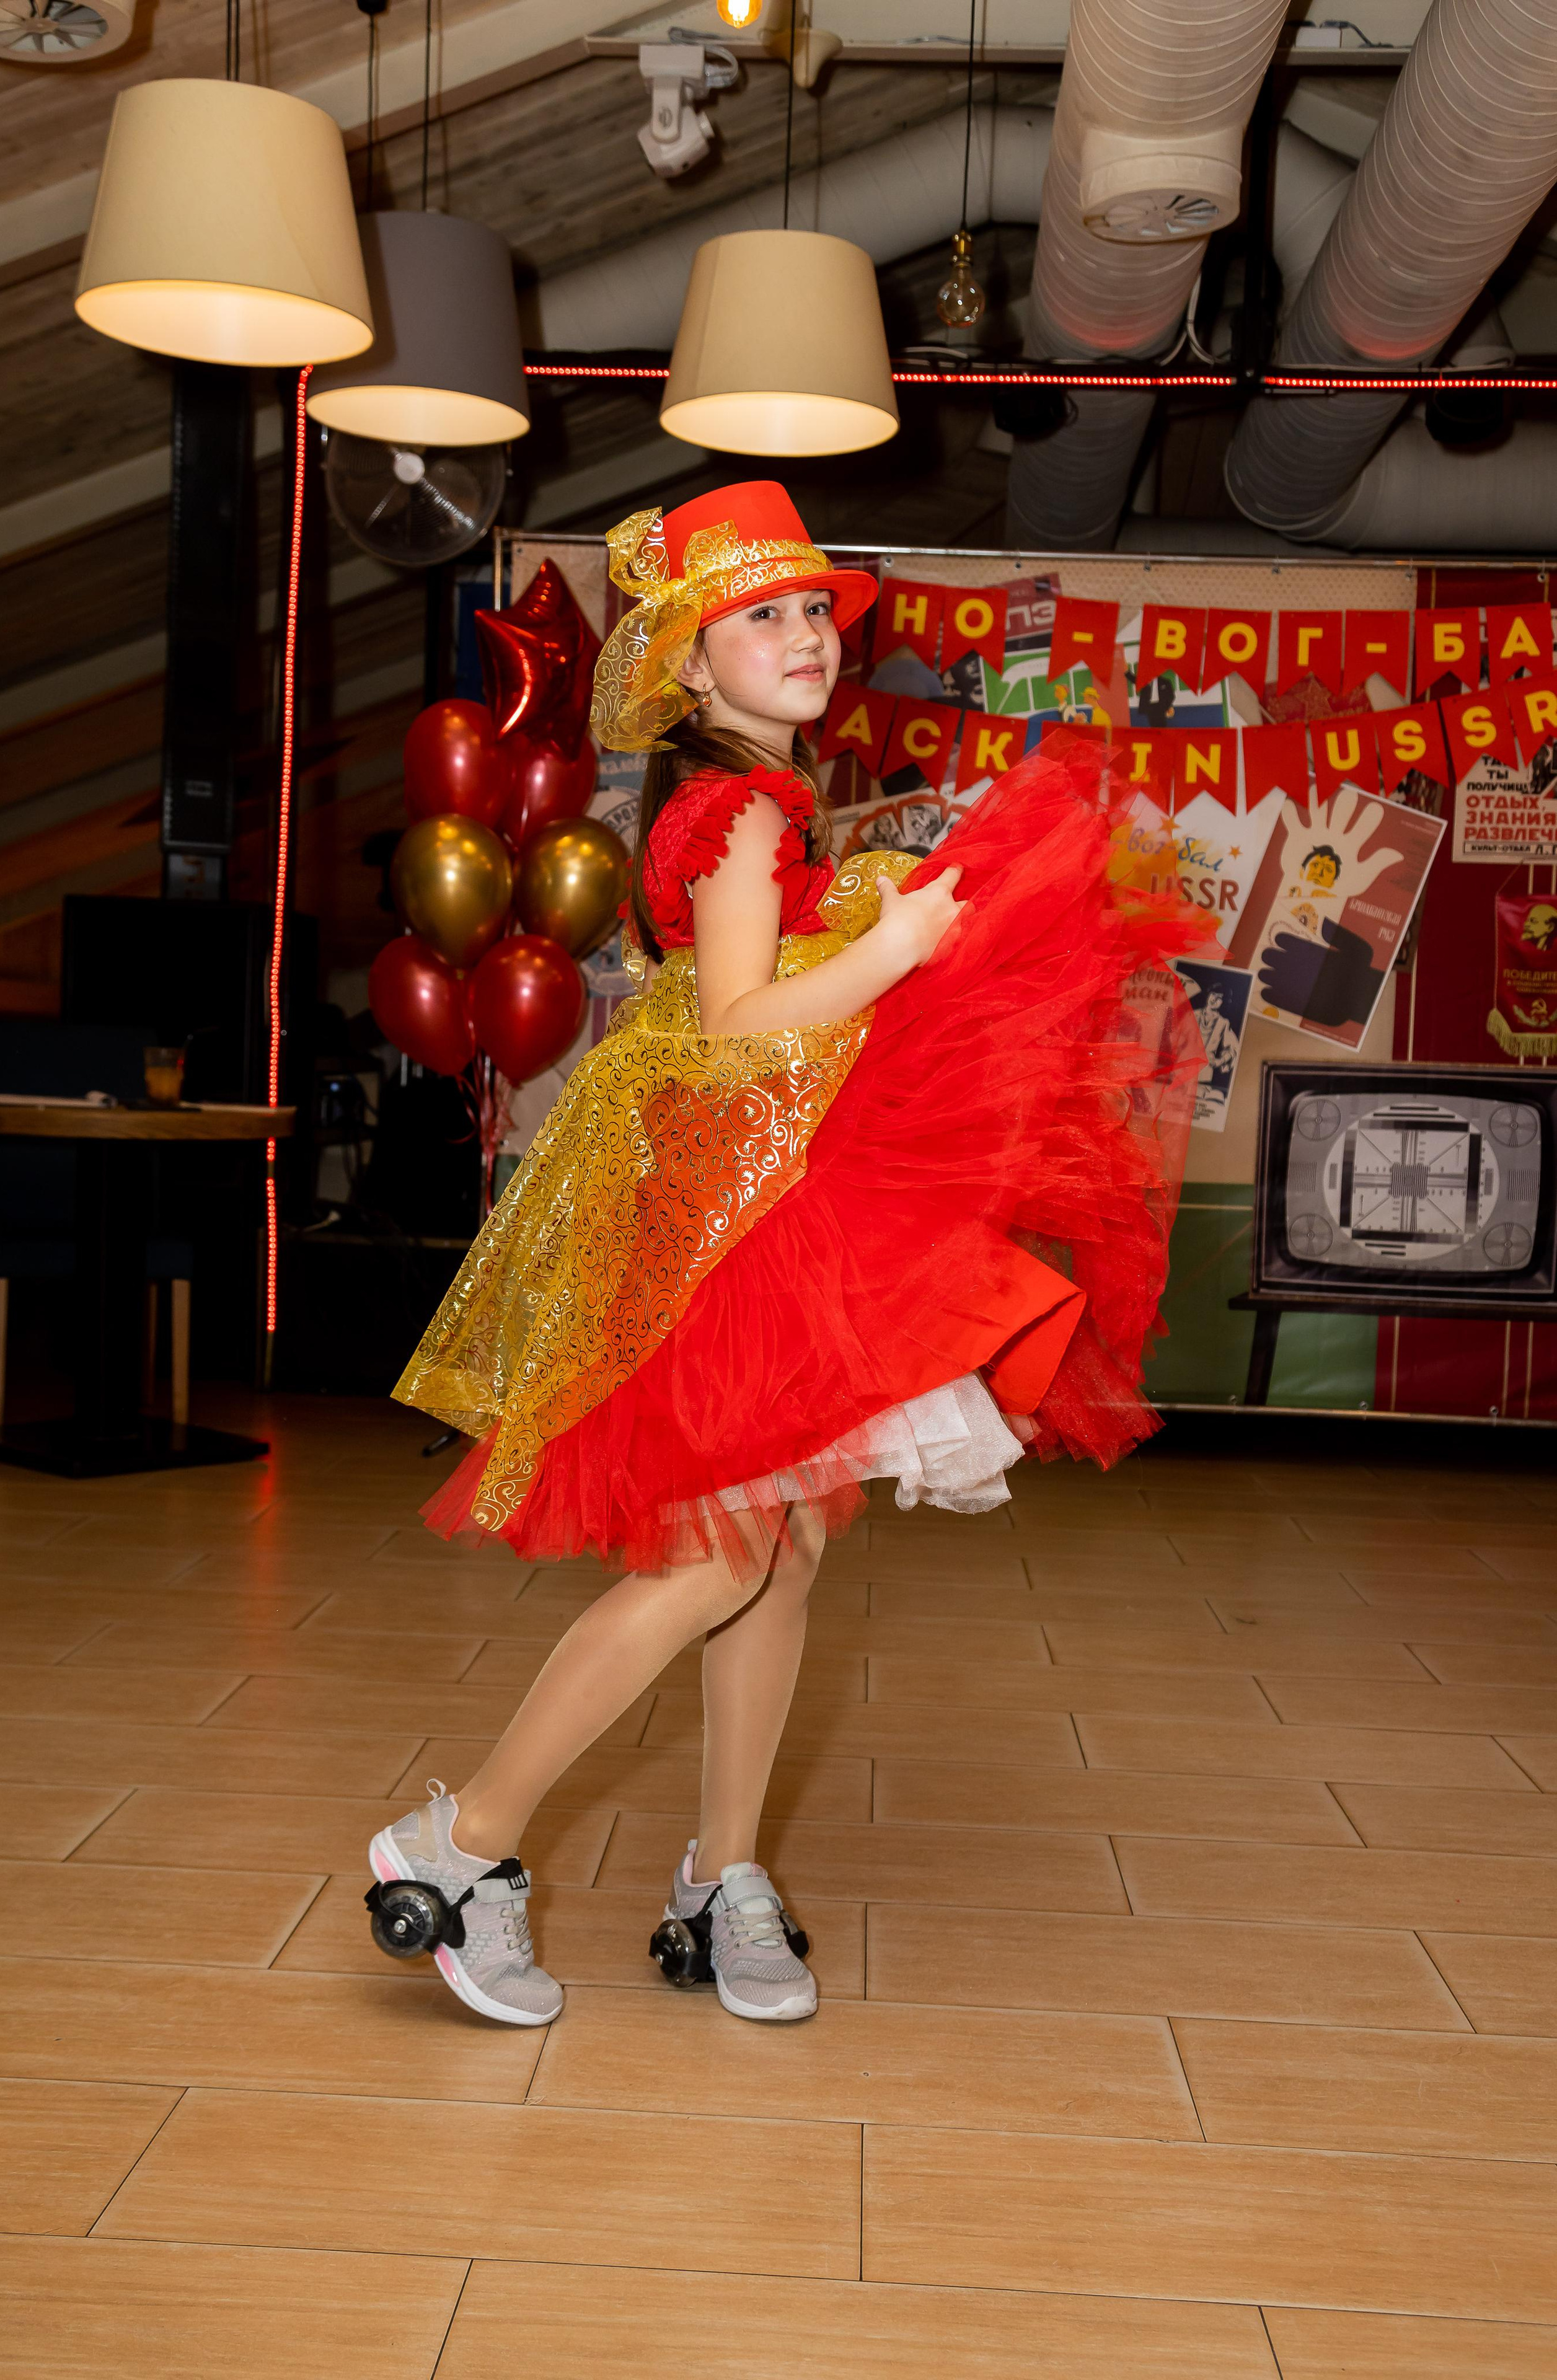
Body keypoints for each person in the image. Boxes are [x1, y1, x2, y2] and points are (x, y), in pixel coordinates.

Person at [372, 482, 1206, 2030]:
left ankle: (722, 1873)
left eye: (812, 608)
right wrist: (891, 950)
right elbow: (743, 1020)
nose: (805, 634)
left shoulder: (759, 796)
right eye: (761, 617)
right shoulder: (737, 806)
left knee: (785, 1542)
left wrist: (878, 931)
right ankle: (462, 1842)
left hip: (757, 1198)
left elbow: (739, 997)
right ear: (691, 666)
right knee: (720, 1554)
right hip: (736, 1222)